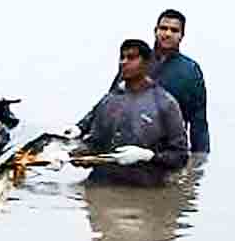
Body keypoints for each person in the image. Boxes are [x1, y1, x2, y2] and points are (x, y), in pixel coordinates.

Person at [71, 9, 209, 163]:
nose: (167, 33)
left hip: (159, 151)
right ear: (155, 31)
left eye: (174, 30)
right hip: (121, 146)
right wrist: (80, 128)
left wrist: (199, 163)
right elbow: (109, 101)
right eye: (163, 28)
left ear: (181, 36)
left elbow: (199, 121)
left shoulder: (190, 72)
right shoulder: (134, 61)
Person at [75, 39, 188, 187]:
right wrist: (74, 155)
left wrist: (148, 156)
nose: (124, 62)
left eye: (131, 58)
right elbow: (94, 144)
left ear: (147, 63)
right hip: (101, 186)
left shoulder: (165, 104)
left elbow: (180, 157)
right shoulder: (109, 101)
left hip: (144, 190)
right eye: (122, 57)